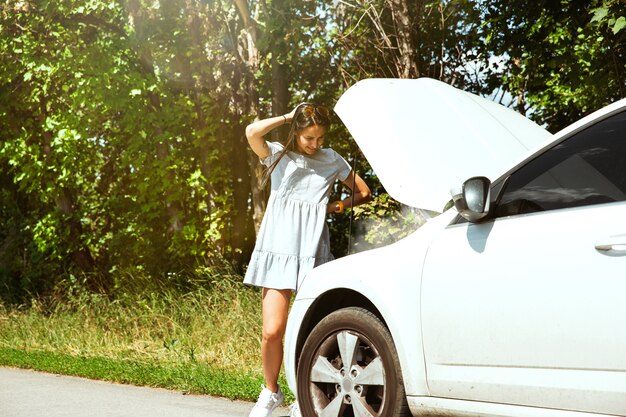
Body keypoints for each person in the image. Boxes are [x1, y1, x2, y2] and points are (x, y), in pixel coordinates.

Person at [244, 103, 371, 417]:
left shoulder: (331, 160)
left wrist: (335, 208)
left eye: (320, 138)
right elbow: (251, 132)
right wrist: (290, 115)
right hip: (278, 248)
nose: (315, 144)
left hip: (312, 253)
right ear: (296, 132)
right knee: (272, 330)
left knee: (309, 329)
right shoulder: (278, 154)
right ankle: (270, 392)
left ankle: (305, 396)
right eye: (308, 138)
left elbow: (363, 192)